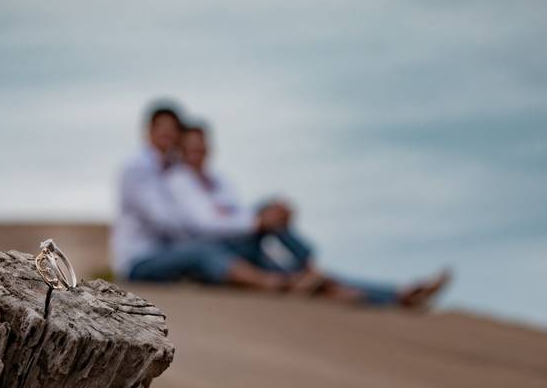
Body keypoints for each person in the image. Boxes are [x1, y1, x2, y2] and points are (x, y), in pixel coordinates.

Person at [162, 122, 452, 307]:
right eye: (191, 149)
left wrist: (257, 218)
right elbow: (203, 225)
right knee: (307, 266)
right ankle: (313, 265)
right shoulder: (179, 180)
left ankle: (397, 294)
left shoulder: (219, 181)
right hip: (219, 255)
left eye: (202, 148)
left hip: (242, 247)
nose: (198, 154)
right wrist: (257, 221)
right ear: (182, 152)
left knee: (320, 276)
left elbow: (233, 215)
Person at [110, 103, 296, 292]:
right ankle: (268, 282)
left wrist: (212, 218)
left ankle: (300, 272)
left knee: (266, 215)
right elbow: (162, 220)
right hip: (141, 259)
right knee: (203, 250)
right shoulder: (138, 168)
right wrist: (202, 221)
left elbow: (216, 210)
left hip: (171, 251)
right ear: (150, 130)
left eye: (173, 131)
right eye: (163, 130)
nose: (169, 135)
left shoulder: (177, 169)